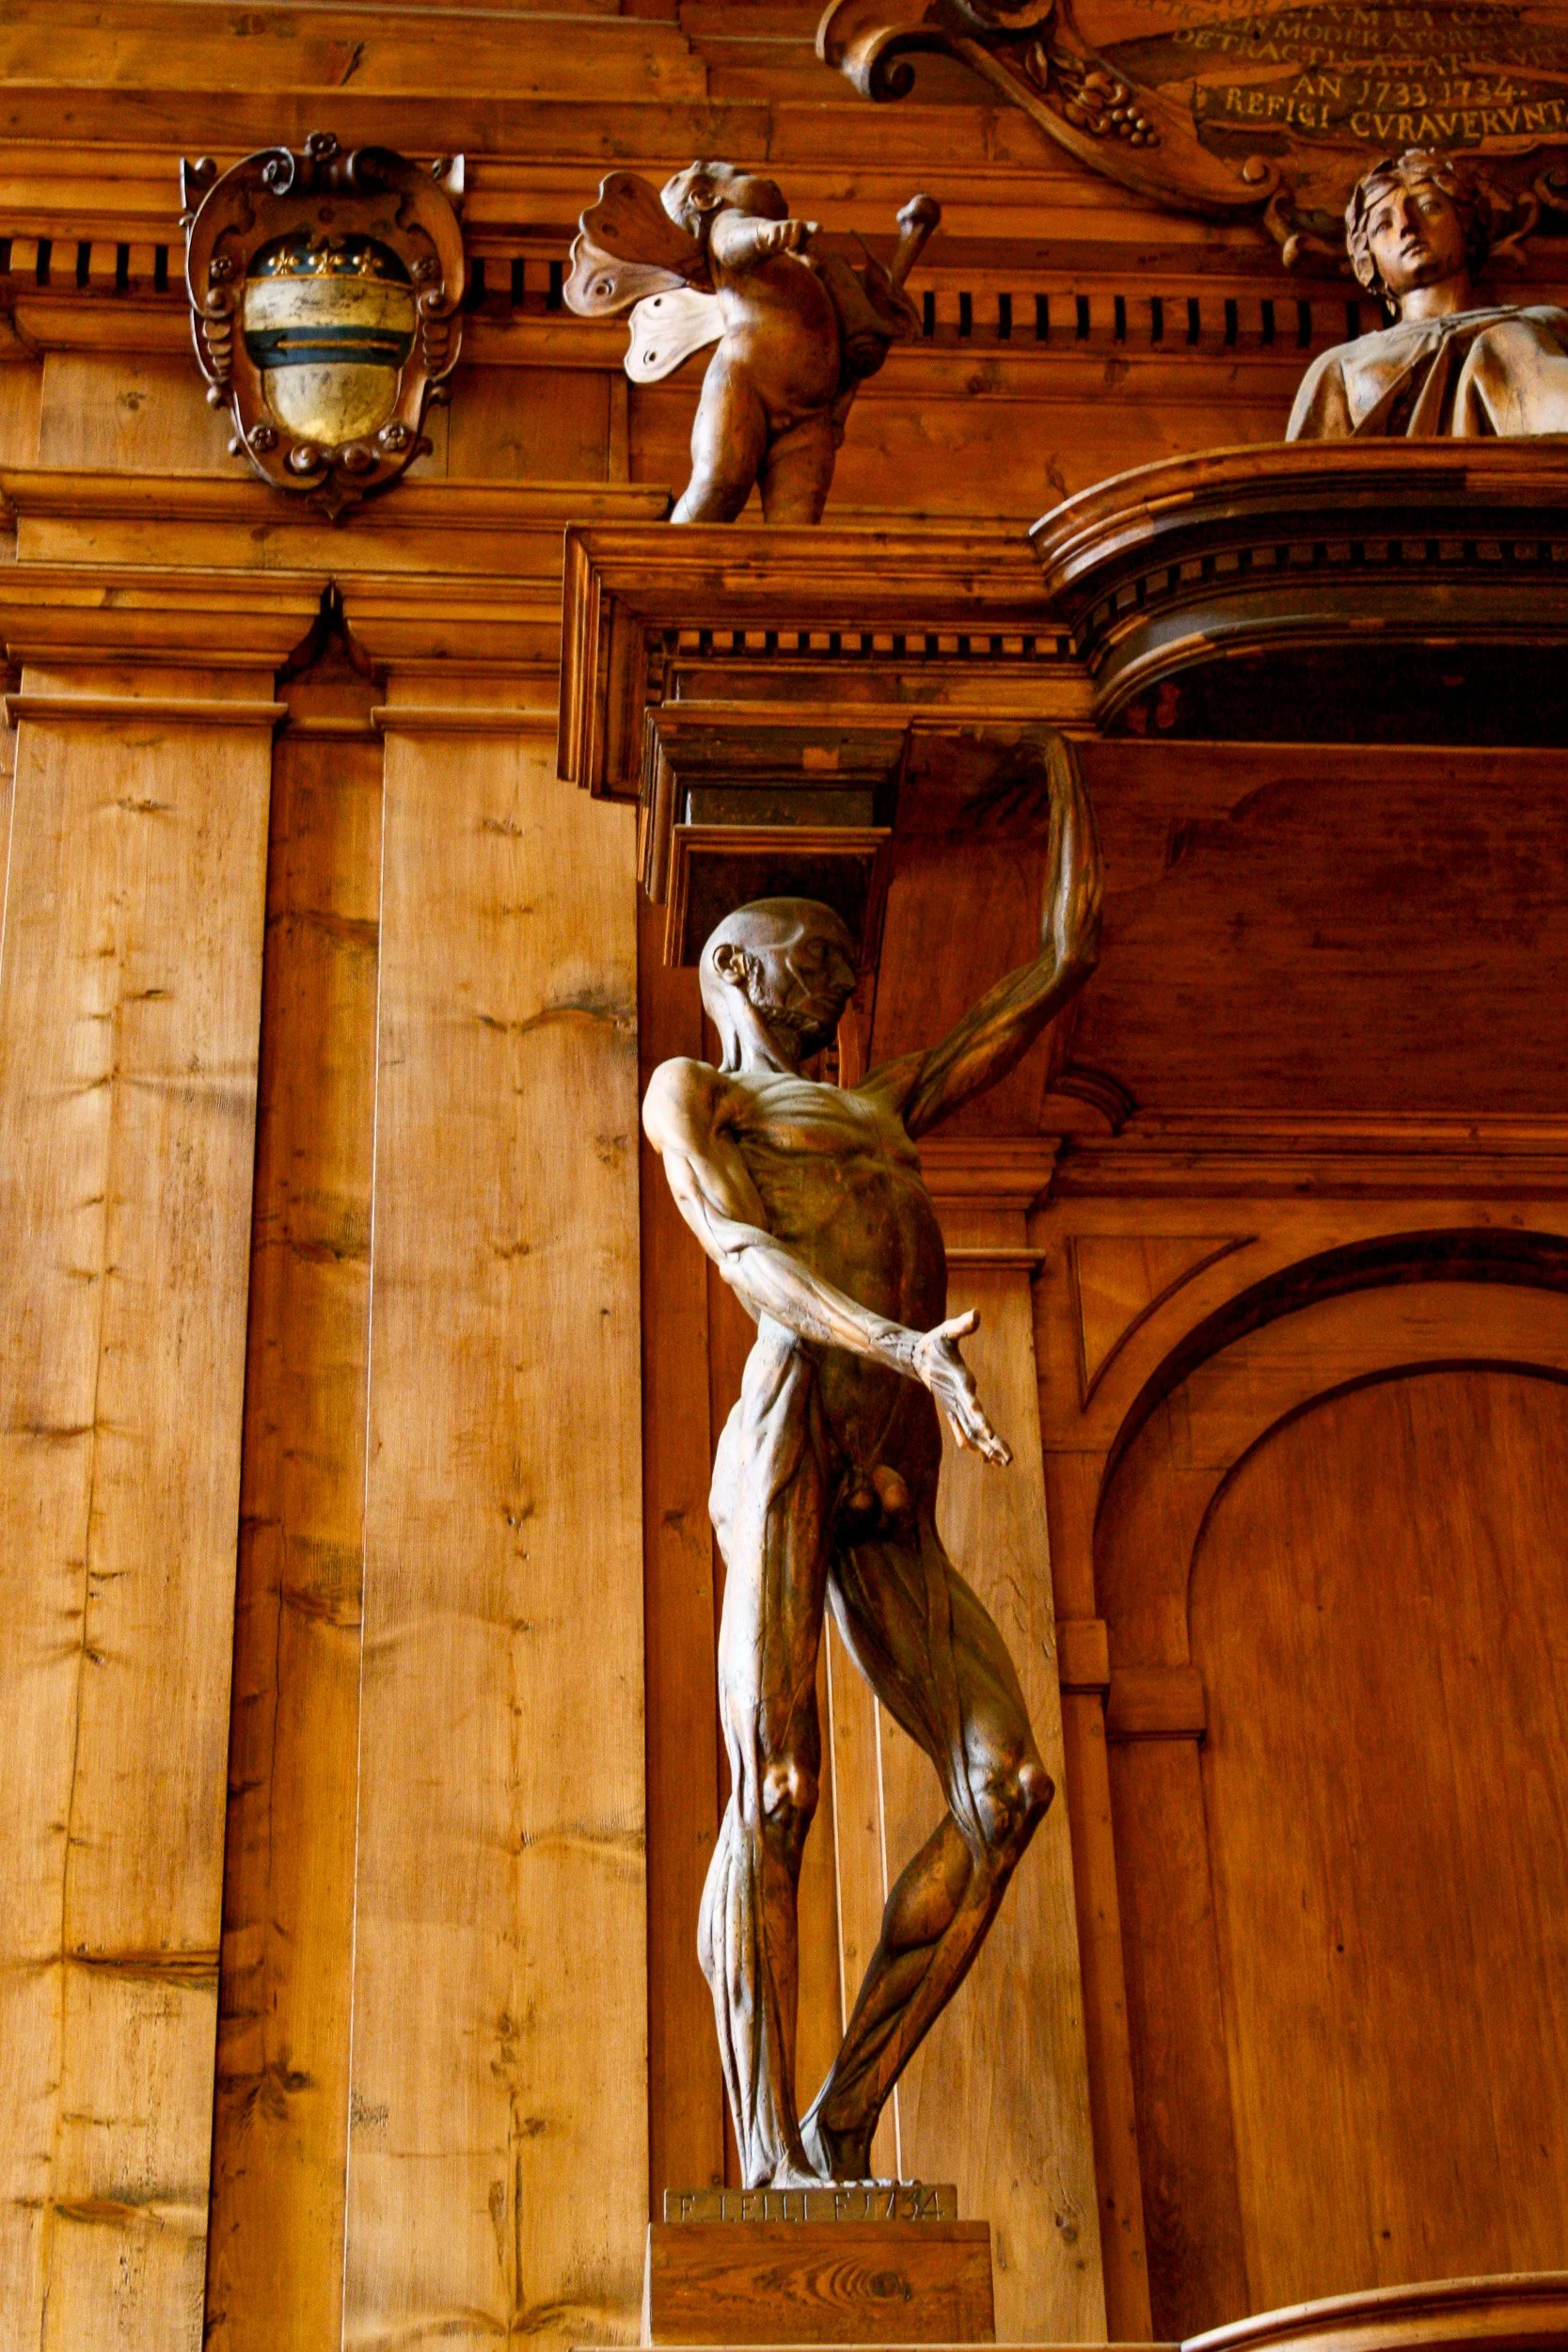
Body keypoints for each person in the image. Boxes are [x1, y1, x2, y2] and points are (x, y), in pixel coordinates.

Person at [641, 734, 1102, 2188]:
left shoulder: (884, 1102)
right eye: (804, 954)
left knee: (1004, 1787)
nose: (834, 975)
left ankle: (842, 2116)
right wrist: (897, 1346)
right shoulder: (694, 1096)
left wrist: (1067, 781)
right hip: (791, 1432)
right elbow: (745, 1255)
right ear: (730, 973)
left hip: (894, 1458)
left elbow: (1047, 972)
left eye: (843, 957)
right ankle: (763, 2156)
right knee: (773, 1789)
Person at [1287, 148, 1568, 439]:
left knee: (1507, 340)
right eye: (1384, 225)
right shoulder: (1339, 366)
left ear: (1465, 223)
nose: (1407, 227)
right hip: (1398, 483)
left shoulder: (1542, 324)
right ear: (1368, 259)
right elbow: (1305, 472)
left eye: (1428, 207)